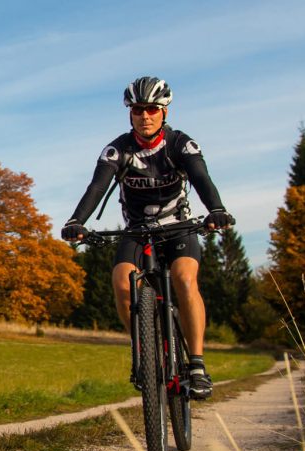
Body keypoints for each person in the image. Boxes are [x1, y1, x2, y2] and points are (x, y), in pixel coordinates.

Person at [61, 76, 234, 400]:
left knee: (184, 279)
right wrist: (76, 221)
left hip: (178, 227)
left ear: (164, 112)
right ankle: (144, 348)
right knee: (122, 282)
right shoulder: (118, 150)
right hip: (138, 231)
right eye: (138, 109)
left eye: (152, 109)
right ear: (130, 113)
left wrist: (217, 209)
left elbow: (201, 178)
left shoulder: (180, 144)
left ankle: (197, 365)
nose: (145, 116)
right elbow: (96, 187)